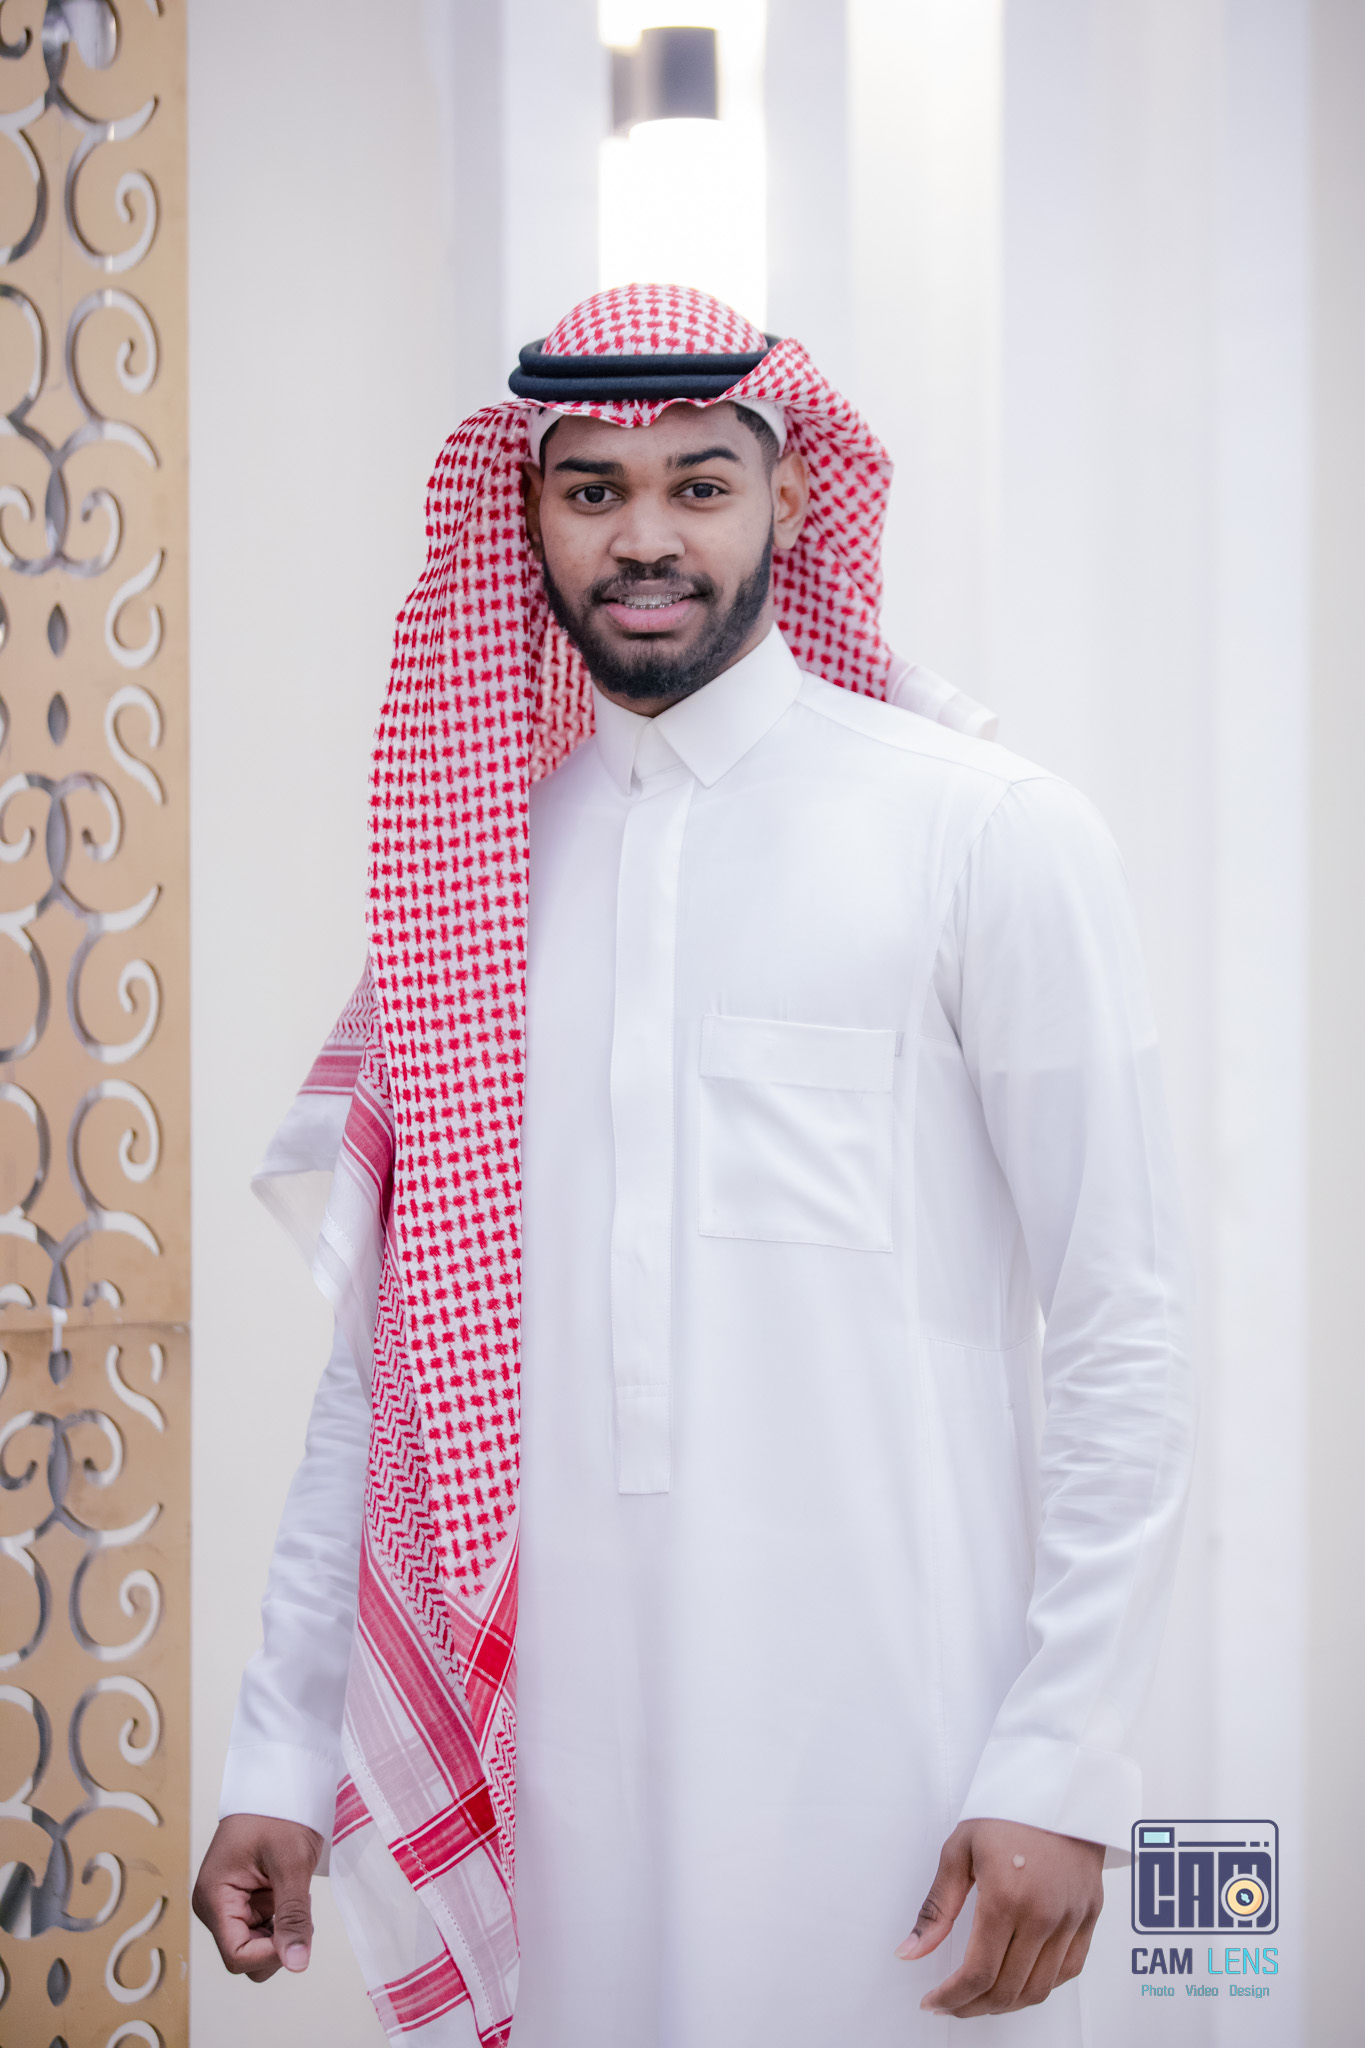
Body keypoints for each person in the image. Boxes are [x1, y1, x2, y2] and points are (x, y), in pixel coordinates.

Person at [193, 284, 1195, 2045]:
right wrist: (279, 1749)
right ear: (527, 514)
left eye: (699, 484)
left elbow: (1123, 1327)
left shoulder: (983, 832)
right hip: (554, 1769)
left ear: (790, 497)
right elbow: (387, 1377)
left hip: (900, 1753)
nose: (644, 537)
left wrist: (1061, 1760)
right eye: (593, 490)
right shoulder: (477, 881)